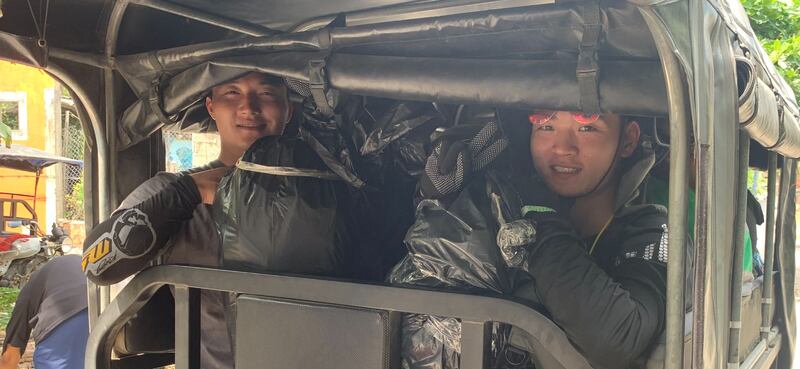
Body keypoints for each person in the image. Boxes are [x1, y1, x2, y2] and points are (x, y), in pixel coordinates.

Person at [398, 109, 687, 369]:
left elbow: (616, 340)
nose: (562, 147)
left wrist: (541, 217)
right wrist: (434, 207)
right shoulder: (499, 209)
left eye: (587, 128)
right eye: (546, 126)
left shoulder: (649, 230)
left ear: (628, 140)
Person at [82, 72, 293, 369]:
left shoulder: (330, 197)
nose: (249, 107)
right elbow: (96, 264)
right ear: (211, 107)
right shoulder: (171, 192)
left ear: (288, 108)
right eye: (232, 92)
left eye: (267, 93)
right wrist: (189, 192)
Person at [0, 255, 88, 369]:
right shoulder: (74, 263)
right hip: (104, 315)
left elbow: (10, 357)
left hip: (61, 321)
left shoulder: (29, 290)